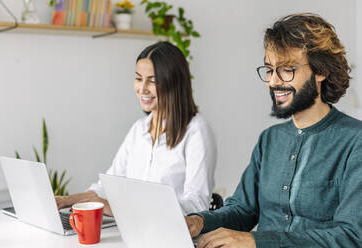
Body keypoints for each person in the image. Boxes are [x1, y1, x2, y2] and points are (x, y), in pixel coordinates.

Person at [186, 13, 362, 247]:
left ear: (321, 71)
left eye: (286, 69)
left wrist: (256, 241)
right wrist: (198, 221)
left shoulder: (354, 141)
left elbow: (350, 236)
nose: (273, 81)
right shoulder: (269, 140)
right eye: (269, 70)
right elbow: (242, 210)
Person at [56, 41, 217, 216]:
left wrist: (121, 209)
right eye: (139, 79)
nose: (142, 89)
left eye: (152, 81)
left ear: (174, 83)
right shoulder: (139, 130)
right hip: (133, 228)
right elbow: (105, 187)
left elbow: (197, 204)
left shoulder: (196, 130)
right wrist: (65, 201)